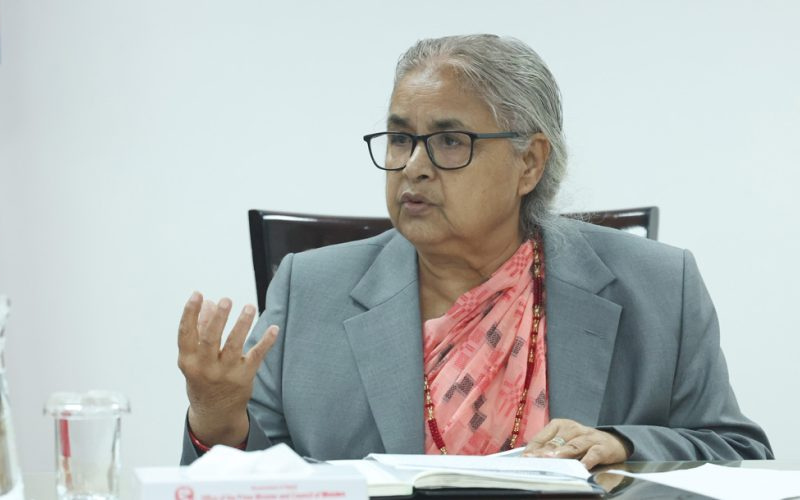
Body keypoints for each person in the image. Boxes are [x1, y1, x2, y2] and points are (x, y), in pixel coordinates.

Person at [178, 34, 772, 469]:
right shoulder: (310, 289)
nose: (413, 167)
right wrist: (217, 418)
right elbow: (249, 479)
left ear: (529, 163)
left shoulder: (660, 285)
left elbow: (737, 454)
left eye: (449, 141)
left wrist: (623, 444)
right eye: (401, 138)